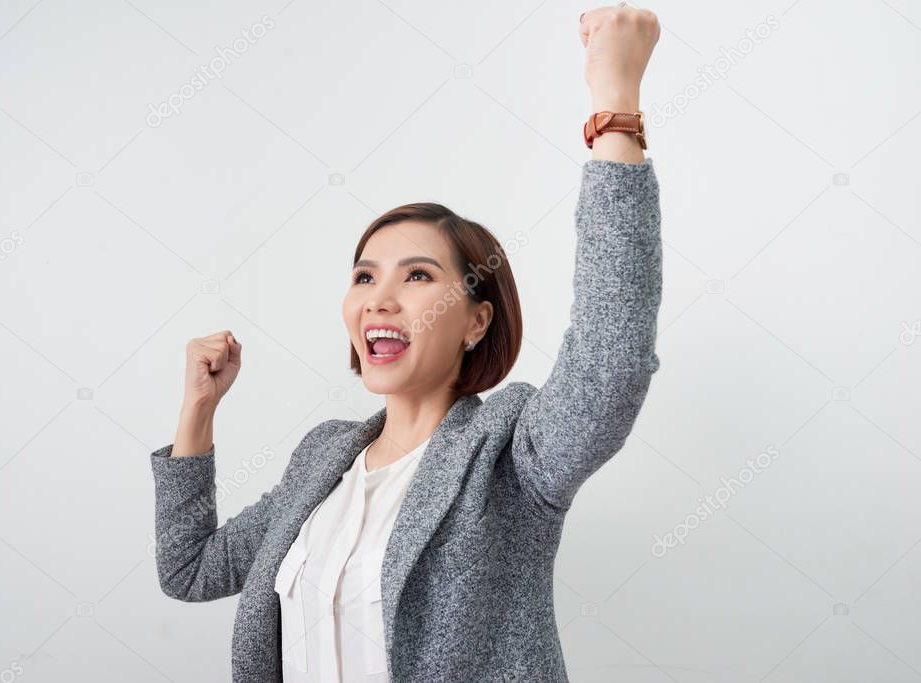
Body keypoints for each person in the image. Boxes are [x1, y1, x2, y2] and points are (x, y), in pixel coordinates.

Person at [150, 4, 662, 681]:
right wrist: (197, 409)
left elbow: (610, 353)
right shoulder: (323, 457)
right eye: (364, 275)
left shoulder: (510, 450)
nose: (378, 298)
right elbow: (189, 569)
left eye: (417, 275)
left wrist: (613, 106)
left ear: (475, 320)